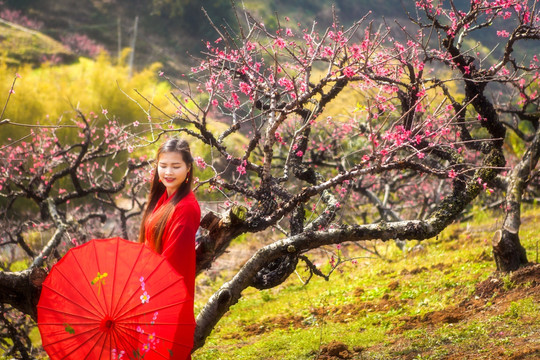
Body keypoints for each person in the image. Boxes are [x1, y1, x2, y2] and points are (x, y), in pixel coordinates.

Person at [138, 137, 201, 359]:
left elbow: (173, 264)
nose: (168, 172)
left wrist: (143, 291)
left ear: (188, 168)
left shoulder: (184, 209)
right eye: (162, 165)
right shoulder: (163, 198)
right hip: (149, 290)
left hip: (163, 297)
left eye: (176, 166)